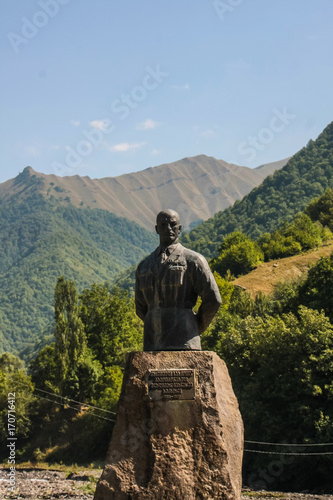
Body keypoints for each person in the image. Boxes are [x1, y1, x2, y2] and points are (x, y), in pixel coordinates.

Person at [135, 209, 222, 350]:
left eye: (173, 224)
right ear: (157, 229)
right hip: (153, 341)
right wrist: (156, 322)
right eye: (163, 225)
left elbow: (213, 299)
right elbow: (140, 307)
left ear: (180, 229)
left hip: (185, 338)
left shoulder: (194, 260)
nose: (168, 228)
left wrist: (195, 326)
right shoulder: (143, 267)